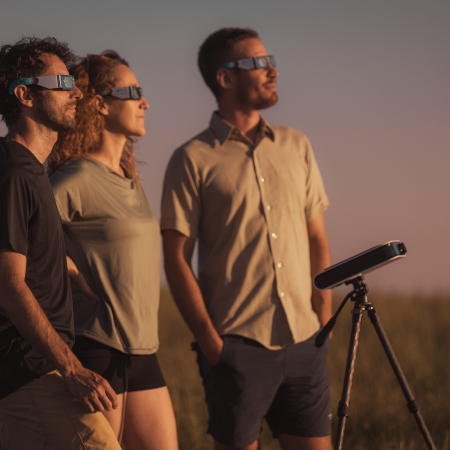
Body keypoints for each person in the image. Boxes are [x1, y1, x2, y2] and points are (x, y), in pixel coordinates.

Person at [161, 28, 333, 450]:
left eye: (269, 59)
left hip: (305, 337)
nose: (273, 70)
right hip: (235, 347)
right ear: (225, 78)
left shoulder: (297, 145)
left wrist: (323, 312)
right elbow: (175, 258)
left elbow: (316, 237)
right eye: (258, 63)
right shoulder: (191, 159)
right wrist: (211, 342)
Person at [48, 51, 178, 450]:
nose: (145, 102)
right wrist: (66, 268)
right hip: (96, 348)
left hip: (143, 351)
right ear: (101, 103)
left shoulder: (130, 180)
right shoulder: (77, 176)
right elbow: (21, 236)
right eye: (133, 91)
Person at [0, 37, 121, 450]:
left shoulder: (30, 171)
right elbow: (9, 283)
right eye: (62, 82)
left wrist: (76, 275)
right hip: (33, 372)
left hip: (32, 373)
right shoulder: (14, 171)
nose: (78, 91)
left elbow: (26, 254)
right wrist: (71, 369)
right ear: (24, 94)